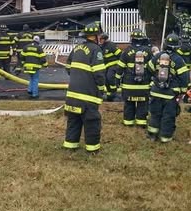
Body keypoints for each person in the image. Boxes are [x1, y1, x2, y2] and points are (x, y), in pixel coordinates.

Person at [63, 23, 106, 153]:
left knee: (73, 121)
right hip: (88, 96)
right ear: (96, 36)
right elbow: (99, 73)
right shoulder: (96, 50)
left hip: (72, 95)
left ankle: (70, 146)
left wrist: (78, 76)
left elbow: (68, 67)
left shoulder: (77, 48)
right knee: (92, 122)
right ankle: (92, 149)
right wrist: (101, 88)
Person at [146, 33, 190, 143]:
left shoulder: (158, 56)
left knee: (155, 114)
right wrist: (183, 91)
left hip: (156, 91)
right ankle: (165, 138)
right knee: (168, 116)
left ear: (165, 44)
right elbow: (184, 77)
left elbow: (149, 68)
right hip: (170, 94)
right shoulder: (178, 60)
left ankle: (152, 135)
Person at [115, 29, 152, 127]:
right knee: (143, 105)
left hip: (129, 85)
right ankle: (141, 123)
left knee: (129, 104)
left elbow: (120, 67)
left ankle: (128, 122)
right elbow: (152, 68)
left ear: (132, 39)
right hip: (144, 85)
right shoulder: (148, 51)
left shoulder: (127, 51)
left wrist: (117, 80)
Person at [98, 33, 122, 101]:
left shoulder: (111, 45)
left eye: (101, 39)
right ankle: (109, 95)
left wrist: (120, 66)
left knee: (110, 77)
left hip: (114, 65)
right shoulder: (101, 46)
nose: (100, 41)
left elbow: (120, 55)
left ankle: (114, 92)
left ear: (104, 39)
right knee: (105, 80)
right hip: (106, 66)